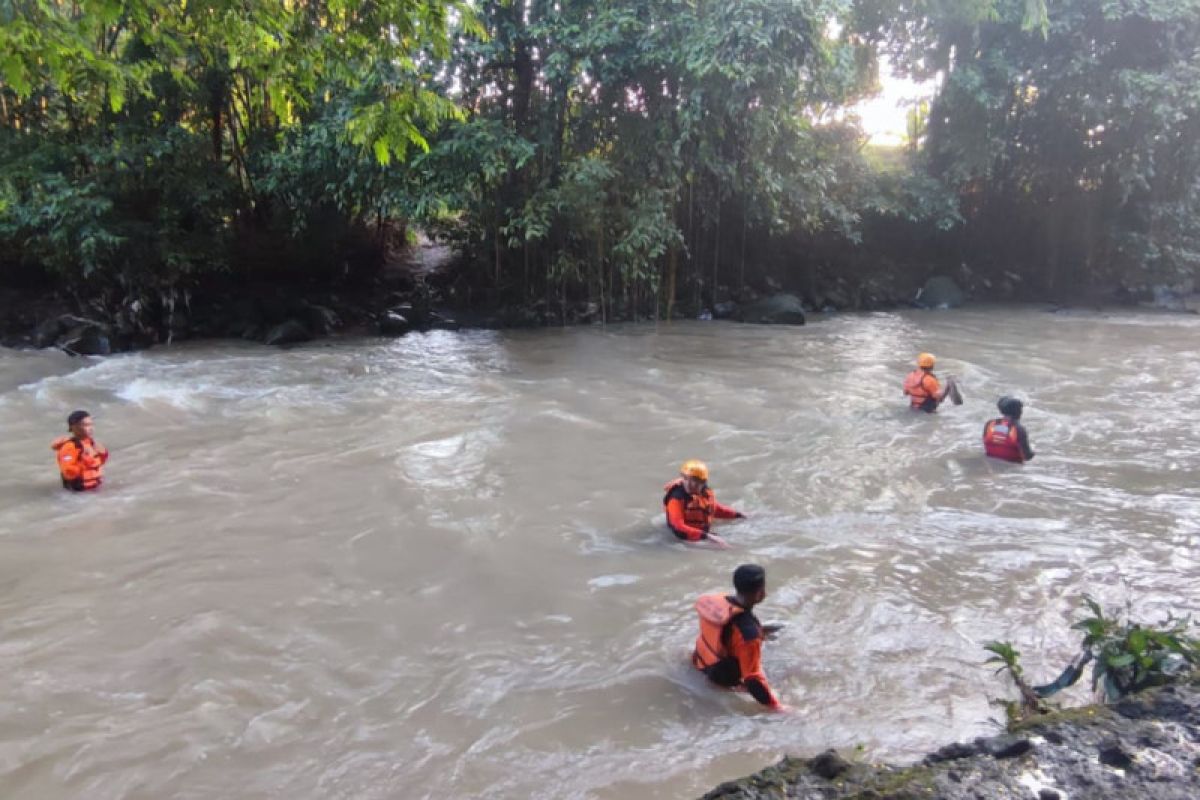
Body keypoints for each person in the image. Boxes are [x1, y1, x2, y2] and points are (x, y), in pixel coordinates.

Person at [692, 564, 787, 711]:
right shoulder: (749, 635)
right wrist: (779, 708)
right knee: (783, 676)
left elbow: (725, 631)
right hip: (720, 678)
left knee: (777, 628)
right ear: (760, 594)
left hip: (699, 661)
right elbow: (752, 680)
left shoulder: (718, 601)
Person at [663, 459, 743, 547]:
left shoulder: (705, 492)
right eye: (686, 479)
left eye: (693, 481)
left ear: (703, 482)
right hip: (682, 540)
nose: (688, 484)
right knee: (728, 549)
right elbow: (678, 526)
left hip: (703, 535)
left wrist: (739, 515)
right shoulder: (676, 498)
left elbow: (713, 509)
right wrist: (708, 537)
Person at [51, 410, 109, 491]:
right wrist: (85, 463)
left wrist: (103, 455)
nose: (91, 428)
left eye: (91, 424)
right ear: (74, 427)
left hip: (95, 489)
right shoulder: (69, 447)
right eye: (86, 425)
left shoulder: (91, 443)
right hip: (78, 493)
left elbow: (97, 463)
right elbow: (68, 472)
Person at [983, 396, 1035, 463]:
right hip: (1013, 468)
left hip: (991, 463)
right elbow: (1027, 457)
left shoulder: (989, 424)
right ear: (1018, 412)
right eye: (1020, 409)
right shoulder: (1019, 429)